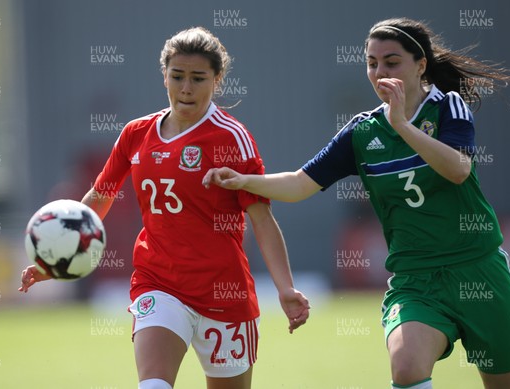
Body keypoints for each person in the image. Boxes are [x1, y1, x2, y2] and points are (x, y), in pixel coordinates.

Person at [203, 17, 510, 389]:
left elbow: (457, 169)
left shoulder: (448, 107)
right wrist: (243, 179)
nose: (380, 72)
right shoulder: (361, 132)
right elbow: (300, 184)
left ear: (420, 65)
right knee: (407, 367)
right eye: (372, 63)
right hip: (416, 279)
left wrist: (403, 127)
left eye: (391, 62)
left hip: (479, 271)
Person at [19, 27, 310, 389]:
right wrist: (58, 261)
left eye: (198, 78)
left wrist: (285, 288)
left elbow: (261, 218)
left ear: (217, 80)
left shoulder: (231, 138)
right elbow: (100, 195)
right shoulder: (136, 134)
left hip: (224, 292)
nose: (186, 88)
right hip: (158, 283)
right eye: (177, 76)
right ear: (164, 77)